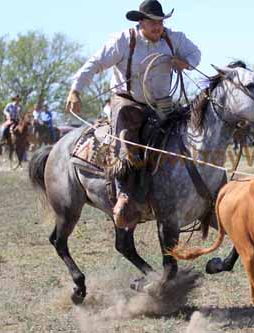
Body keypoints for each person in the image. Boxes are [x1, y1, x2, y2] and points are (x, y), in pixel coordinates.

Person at [65, 0, 201, 228]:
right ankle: (125, 195)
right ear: (141, 22)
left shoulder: (174, 38)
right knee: (127, 142)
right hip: (127, 102)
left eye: (160, 22)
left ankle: (181, 188)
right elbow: (95, 63)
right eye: (153, 23)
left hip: (161, 104)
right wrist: (76, 90)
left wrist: (185, 62)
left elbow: (196, 54)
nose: (158, 27)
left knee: (180, 138)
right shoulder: (123, 41)